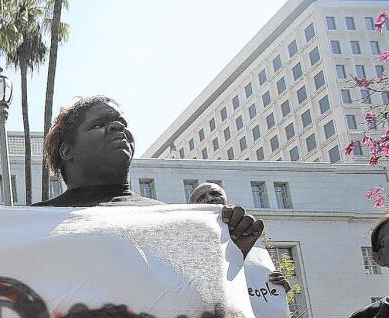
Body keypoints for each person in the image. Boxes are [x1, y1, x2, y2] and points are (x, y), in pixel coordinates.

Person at [36, 97, 263, 257]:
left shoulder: (174, 224)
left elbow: (199, 303)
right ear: (67, 151)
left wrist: (229, 257)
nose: (117, 126)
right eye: (99, 124)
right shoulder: (33, 225)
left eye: (122, 123)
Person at [188, 181, 290, 290]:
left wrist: (278, 292)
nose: (210, 198)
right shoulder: (185, 249)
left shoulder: (249, 240)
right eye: (201, 197)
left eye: (215, 194)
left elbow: (260, 293)